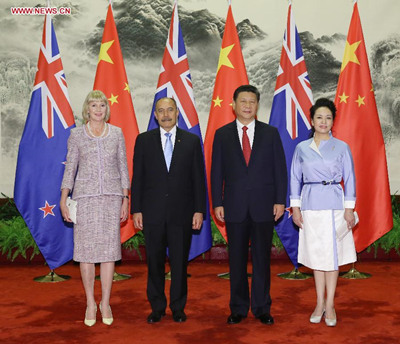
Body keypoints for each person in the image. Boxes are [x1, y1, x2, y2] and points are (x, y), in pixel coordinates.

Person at [211, 84, 287, 325]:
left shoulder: (270, 133)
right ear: (233, 105)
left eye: (251, 101)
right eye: (242, 101)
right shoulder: (222, 134)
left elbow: (280, 171)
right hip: (234, 206)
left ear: (257, 106)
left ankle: (262, 307)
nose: (247, 105)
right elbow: (216, 173)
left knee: (263, 259)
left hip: (264, 205)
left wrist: (280, 201)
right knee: (236, 261)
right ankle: (238, 308)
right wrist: (217, 202)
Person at [131, 97, 206, 324]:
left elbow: (198, 179)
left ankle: (178, 307)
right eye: (161, 111)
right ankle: (157, 307)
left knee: (179, 264)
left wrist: (199, 210)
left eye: (170, 110)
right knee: (154, 262)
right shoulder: (143, 141)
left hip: (181, 214)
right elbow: (138, 178)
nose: (165, 114)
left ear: (177, 113)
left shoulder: (191, 141)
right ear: (155, 115)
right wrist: (137, 209)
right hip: (152, 213)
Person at [60, 90, 130, 327]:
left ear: (106, 109)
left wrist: (125, 198)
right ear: (86, 109)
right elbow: (70, 168)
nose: (98, 109)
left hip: (111, 199)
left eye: (102, 105)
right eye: (94, 105)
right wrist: (63, 198)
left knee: (109, 253)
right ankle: (90, 302)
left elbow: (123, 167)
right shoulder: (77, 135)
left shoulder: (117, 134)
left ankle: (106, 302)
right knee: (86, 254)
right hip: (85, 200)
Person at [290, 98, 357, 327]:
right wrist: (295, 208)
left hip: (335, 207)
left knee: (333, 257)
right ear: (311, 119)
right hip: (310, 206)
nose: (323, 121)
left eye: (328, 117)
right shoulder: (301, 148)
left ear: (333, 121)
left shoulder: (341, 147)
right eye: (319, 117)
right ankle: (318, 302)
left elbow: (349, 178)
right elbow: (294, 179)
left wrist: (349, 210)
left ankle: (330, 305)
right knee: (317, 257)